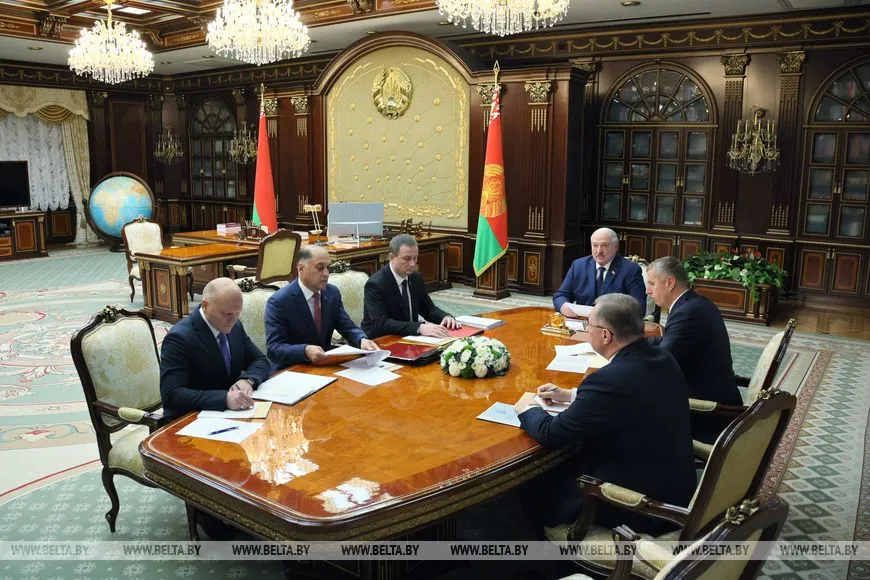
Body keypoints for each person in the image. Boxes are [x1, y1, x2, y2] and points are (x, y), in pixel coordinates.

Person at [514, 294, 696, 535]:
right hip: (675, 483)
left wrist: (528, 408)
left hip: (638, 504)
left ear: (606, 335)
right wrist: (571, 395)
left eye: (589, 325)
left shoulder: (609, 380)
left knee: (527, 489)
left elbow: (552, 433)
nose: (586, 329)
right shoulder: (662, 357)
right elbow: (629, 399)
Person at [646, 256, 743, 443]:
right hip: (710, 392)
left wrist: (625, 356)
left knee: (632, 404)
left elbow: (661, 362)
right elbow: (669, 340)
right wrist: (634, 342)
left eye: (651, 284)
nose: (648, 291)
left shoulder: (688, 312)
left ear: (670, 282)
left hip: (707, 414)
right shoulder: (693, 303)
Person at [159, 277, 270, 425]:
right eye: (226, 314)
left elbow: (260, 360)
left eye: (237, 313)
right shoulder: (179, 338)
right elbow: (172, 394)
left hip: (230, 417)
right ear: (205, 305)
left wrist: (247, 380)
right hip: (189, 419)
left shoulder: (235, 326)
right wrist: (224, 399)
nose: (233, 319)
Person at [265, 245, 378, 368]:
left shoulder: (332, 293)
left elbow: (347, 326)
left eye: (328, 268)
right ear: (301, 269)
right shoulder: (280, 301)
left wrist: (361, 340)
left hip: (326, 363)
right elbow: (274, 349)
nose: (326, 273)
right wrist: (305, 351)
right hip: (294, 367)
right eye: (320, 268)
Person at [361, 234, 459, 339]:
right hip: (380, 339)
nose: (412, 264)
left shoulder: (416, 277)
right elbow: (382, 323)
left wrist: (444, 317)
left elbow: (428, 309)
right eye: (407, 259)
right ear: (391, 257)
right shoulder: (376, 284)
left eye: (415, 258)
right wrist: (419, 328)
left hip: (409, 336)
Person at [553, 227, 646, 316]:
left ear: (616, 247)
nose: (599, 251)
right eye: (595, 245)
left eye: (604, 245)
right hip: (581, 320)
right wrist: (563, 307)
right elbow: (560, 296)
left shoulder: (631, 270)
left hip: (614, 323)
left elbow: (639, 307)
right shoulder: (579, 266)